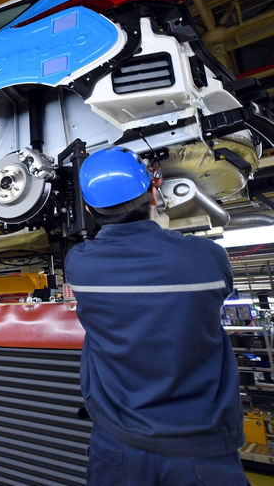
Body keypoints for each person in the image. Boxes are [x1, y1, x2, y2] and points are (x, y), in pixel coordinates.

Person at [65, 147, 246, 485]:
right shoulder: (208, 258)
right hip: (202, 450)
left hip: (118, 449)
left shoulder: (81, 264)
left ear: (89, 210)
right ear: (153, 192)